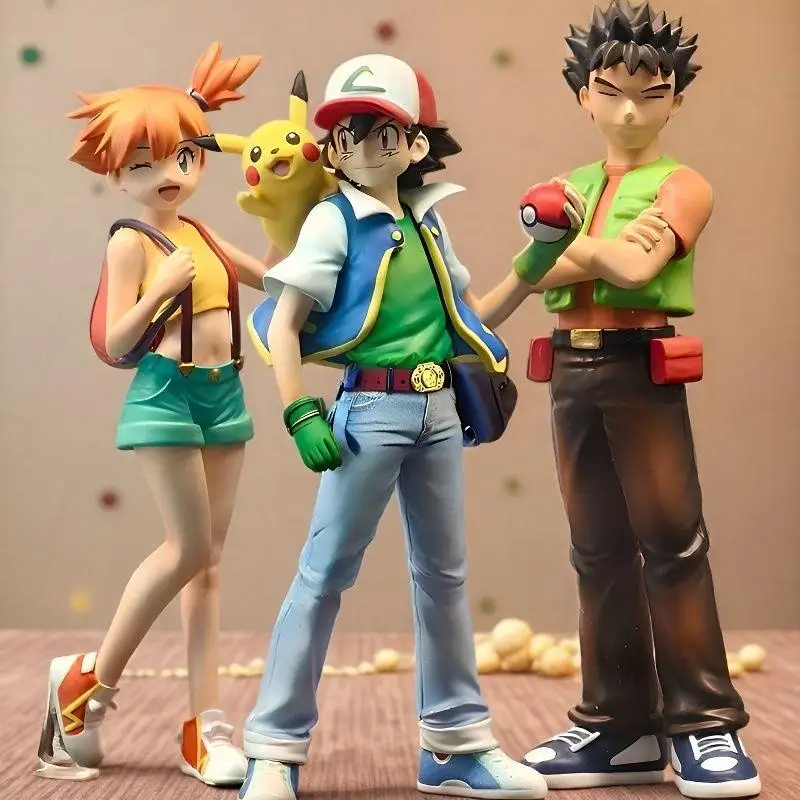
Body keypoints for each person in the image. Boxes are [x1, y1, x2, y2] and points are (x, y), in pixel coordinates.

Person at [237, 54, 583, 800]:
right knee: (325, 573)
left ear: (417, 143)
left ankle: (455, 744)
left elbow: (469, 318)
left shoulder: (428, 223)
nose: (364, 145)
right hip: (369, 412)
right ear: (333, 149)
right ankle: (273, 746)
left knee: (444, 576)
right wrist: (299, 410)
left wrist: (534, 263)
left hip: (438, 412)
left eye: (383, 131)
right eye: (349, 133)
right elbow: (285, 323)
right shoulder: (334, 221)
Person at [515, 4, 761, 798]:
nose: (628, 111)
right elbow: (535, 276)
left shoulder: (682, 186)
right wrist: (583, 250)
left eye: (650, 95)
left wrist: (563, 241)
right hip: (570, 371)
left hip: (640, 368)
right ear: (583, 96)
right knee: (596, 550)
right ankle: (617, 723)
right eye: (611, 92)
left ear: (676, 100)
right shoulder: (571, 185)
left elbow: (630, 267)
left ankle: (705, 721)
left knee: (672, 542)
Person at [35, 43, 271, 787]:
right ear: (116, 175)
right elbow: (114, 340)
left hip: (225, 392)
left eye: (180, 157)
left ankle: (205, 724)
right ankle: (88, 685)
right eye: (141, 165)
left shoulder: (203, 233)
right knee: (187, 549)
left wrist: (289, 210)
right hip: (167, 394)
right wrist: (160, 287)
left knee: (209, 566)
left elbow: (273, 279)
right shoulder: (133, 241)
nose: (166, 175)